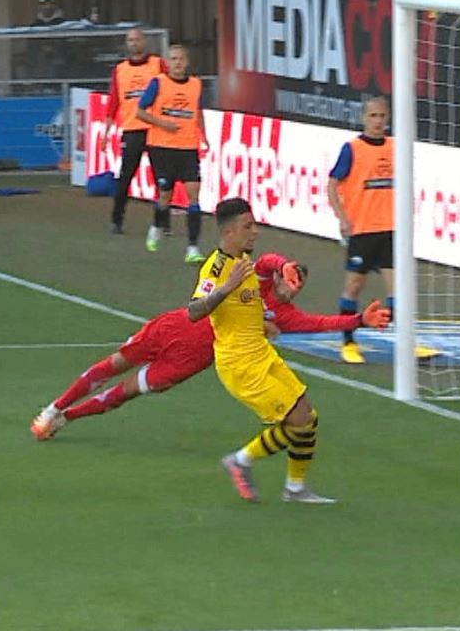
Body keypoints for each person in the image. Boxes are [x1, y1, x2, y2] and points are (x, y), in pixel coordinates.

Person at [32, 254, 389, 440]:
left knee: (125, 393)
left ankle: (64, 420)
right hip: (177, 327)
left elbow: (322, 324)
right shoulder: (259, 279)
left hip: (194, 359)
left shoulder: (285, 315)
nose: (293, 288)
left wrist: (359, 321)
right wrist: (282, 263)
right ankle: (54, 407)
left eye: (299, 285)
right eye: (292, 278)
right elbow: (264, 261)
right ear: (282, 275)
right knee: (114, 364)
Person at [193, 199, 335, 504]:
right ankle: (241, 461)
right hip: (240, 364)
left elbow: (246, 304)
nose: (254, 232)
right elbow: (194, 311)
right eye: (248, 226)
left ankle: (295, 488)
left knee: (308, 416)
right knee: (297, 419)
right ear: (229, 232)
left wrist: (263, 324)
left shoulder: (245, 260)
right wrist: (225, 287)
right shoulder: (217, 267)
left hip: (261, 353)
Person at [325, 96, 397, 365]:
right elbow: (332, 185)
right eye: (373, 116)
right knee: (354, 286)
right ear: (364, 118)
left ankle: (403, 342)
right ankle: (348, 341)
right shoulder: (352, 149)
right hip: (363, 230)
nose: (378, 121)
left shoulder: (395, 147)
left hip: (390, 229)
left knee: (398, 289)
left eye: (382, 116)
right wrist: (342, 218)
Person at [134, 44, 207, 262]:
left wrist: (204, 136)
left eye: (181, 59)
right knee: (165, 194)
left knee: (193, 194)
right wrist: (162, 123)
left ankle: (193, 248)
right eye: (173, 59)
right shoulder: (158, 83)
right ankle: (156, 226)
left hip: (188, 147)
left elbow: (198, 111)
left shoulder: (196, 85)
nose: (177, 63)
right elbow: (139, 111)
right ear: (168, 62)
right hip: (161, 146)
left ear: (187, 62)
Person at [106, 28, 164, 235]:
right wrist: (107, 130)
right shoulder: (120, 70)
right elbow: (114, 101)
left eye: (137, 39)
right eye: (130, 40)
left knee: (162, 179)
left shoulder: (158, 64)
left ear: (144, 41)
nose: (134, 43)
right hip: (132, 129)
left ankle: (161, 222)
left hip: (155, 128)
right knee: (125, 176)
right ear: (127, 44)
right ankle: (116, 220)